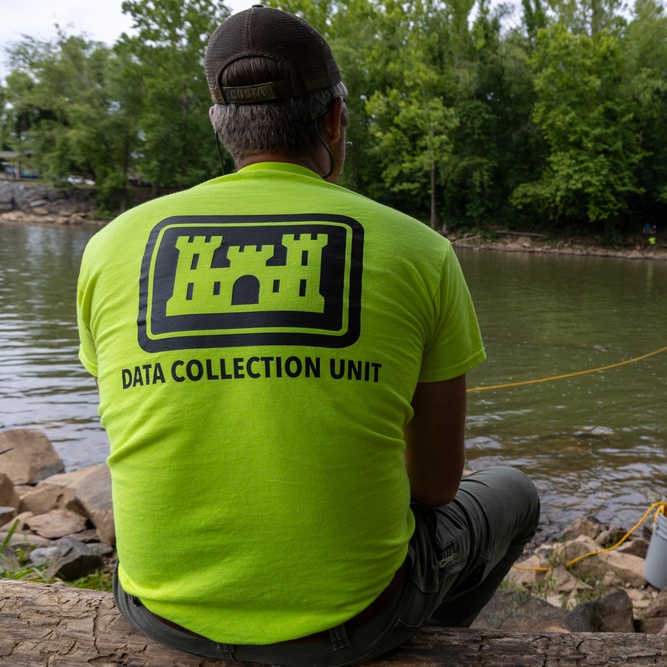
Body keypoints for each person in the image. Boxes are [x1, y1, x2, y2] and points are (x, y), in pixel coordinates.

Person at [75, 6, 539, 666]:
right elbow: (437, 484)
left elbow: (139, 416)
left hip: (160, 608)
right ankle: (421, 637)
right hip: (353, 623)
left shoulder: (109, 246)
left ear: (223, 129)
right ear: (334, 121)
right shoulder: (421, 251)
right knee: (515, 492)